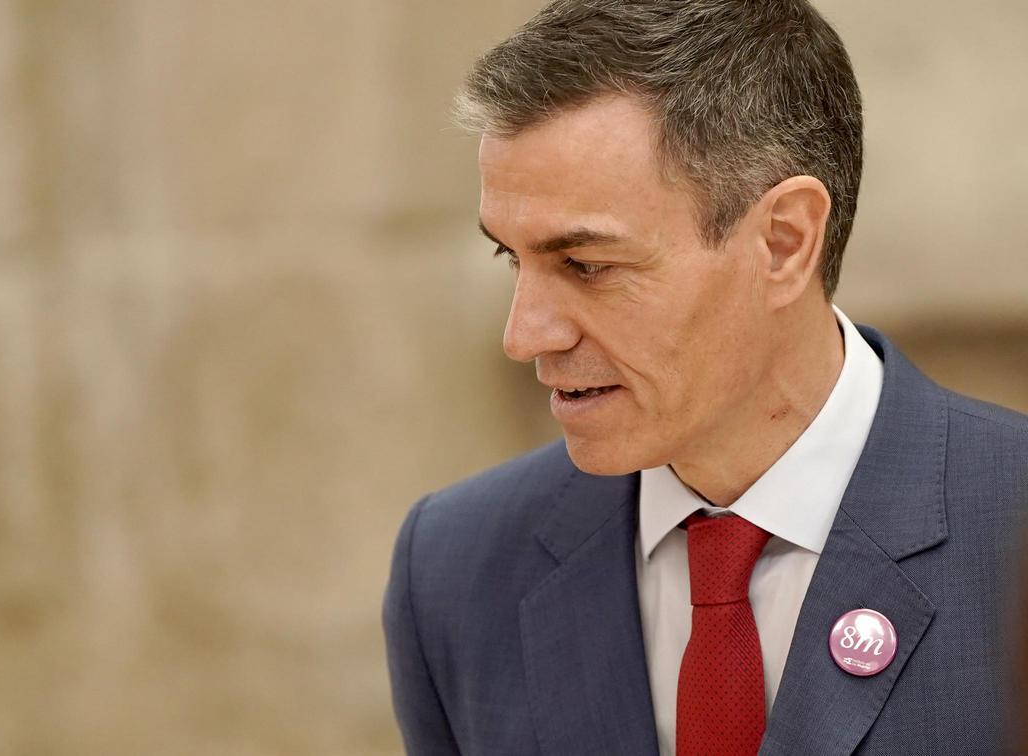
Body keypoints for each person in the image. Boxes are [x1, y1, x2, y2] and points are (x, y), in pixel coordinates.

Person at [381, 1, 1028, 754]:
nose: (524, 336)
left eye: (586, 265)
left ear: (783, 242)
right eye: (510, 258)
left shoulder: (1010, 518)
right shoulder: (457, 569)